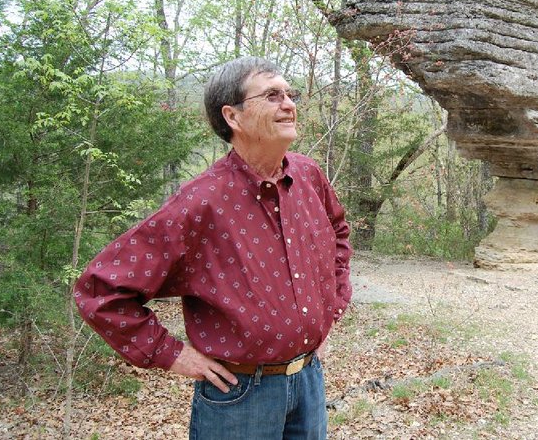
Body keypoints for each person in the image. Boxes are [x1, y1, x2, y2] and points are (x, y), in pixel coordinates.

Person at [74, 56, 352, 439]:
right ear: (233, 117)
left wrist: (330, 309)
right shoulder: (201, 201)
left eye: (290, 94)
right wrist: (172, 354)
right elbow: (100, 290)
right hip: (239, 396)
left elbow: (338, 232)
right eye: (272, 95)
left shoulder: (307, 176)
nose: (289, 104)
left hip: (309, 380)